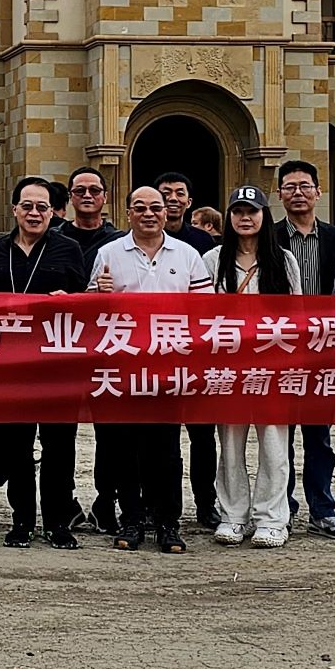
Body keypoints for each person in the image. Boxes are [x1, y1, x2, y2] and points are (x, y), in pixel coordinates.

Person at [90, 184, 213, 554]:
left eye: (155, 207)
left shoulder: (188, 254)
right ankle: (132, 517)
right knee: (125, 449)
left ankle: (168, 521)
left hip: (170, 370)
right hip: (123, 368)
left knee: (167, 450)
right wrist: (100, 293)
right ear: (127, 212)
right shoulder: (109, 252)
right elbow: (90, 313)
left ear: (167, 212)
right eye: (139, 207)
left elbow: (204, 312)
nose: (148, 213)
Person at [0, 176, 87, 549]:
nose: (34, 213)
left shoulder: (68, 249)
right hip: (9, 366)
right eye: (27, 206)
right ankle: (21, 520)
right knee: (17, 447)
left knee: (59, 447)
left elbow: (87, 306)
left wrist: (68, 300)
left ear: (53, 212)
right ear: (14, 210)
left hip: (58, 365)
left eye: (42, 207)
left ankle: (58, 521)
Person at [204, 187, 300, 549]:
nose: (246, 218)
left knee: (274, 444)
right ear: (229, 218)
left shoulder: (284, 260)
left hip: (272, 364)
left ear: (265, 216)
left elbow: (296, 316)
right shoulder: (213, 260)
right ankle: (233, 514)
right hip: (226, 365)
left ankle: (272, 518)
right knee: (229, 443)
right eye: (239, 211)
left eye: (253, 211)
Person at [274, 158, 335, 540]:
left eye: (305, 186)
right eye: (289, 187)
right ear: (279, 194)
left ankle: (323, 509)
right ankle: (282, 507)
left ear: (318, 192)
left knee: (319, 435)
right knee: (281, 435)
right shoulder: (269, 238)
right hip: (281, 348)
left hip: (324, 348)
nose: (298, 193)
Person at [155, 170, 221, 529]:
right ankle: (159, 506)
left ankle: (205, 503)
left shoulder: (204, 243)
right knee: (159, 436)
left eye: (180, 193)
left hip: (197, 352)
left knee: (202, 436)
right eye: (166, 192)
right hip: (154, 352)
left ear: (189, 201)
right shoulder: (139, 240)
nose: (173, 198)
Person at [66, 164, 123, 535]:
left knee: (111, 432)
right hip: (64, 350)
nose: (87, 196)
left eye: (94, 190)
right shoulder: (54, 239)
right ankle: (65, 500)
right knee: (61, 431)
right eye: (79, 190)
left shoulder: (121, 242)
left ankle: (107, 500)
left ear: (104, 197)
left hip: (110, 348)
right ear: (70, 197)